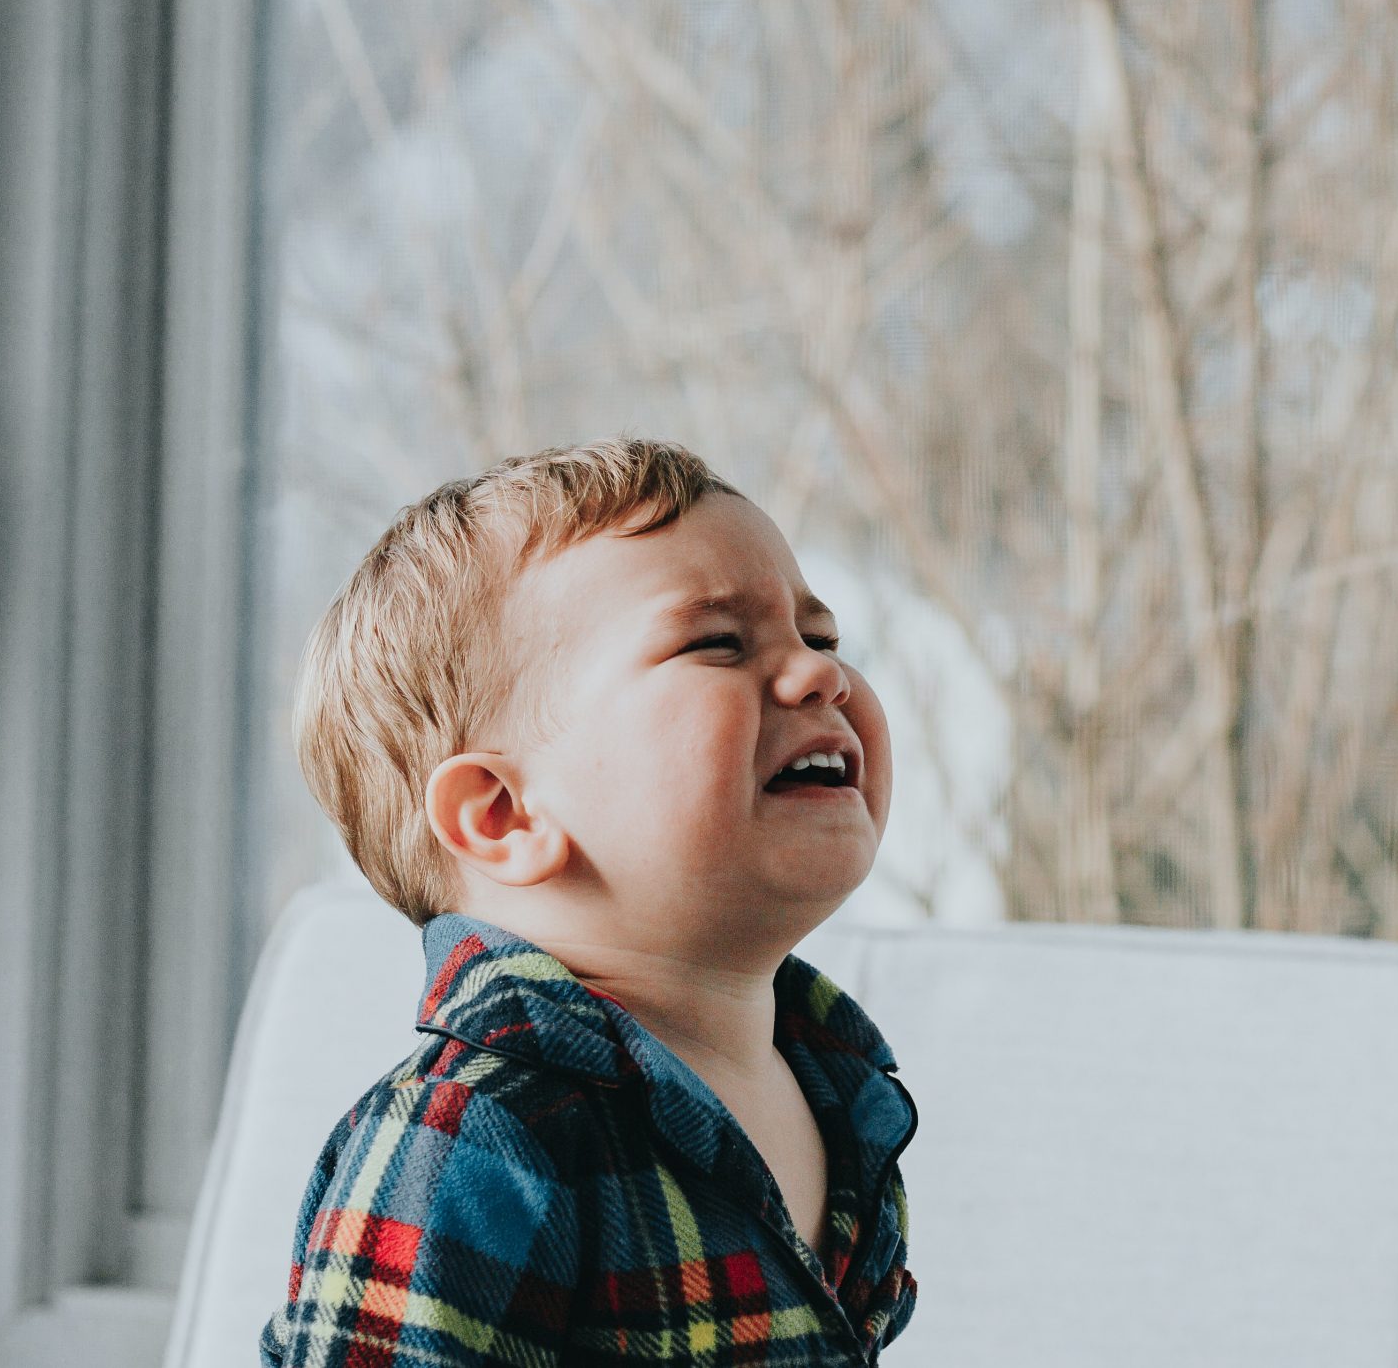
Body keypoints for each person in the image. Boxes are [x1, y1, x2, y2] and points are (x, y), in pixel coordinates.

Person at [261, 436, 918, 1367]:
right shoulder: (468, 1133)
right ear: (503, 813)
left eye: (820, 637)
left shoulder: (840, 1095)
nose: (823, 676)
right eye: (718, 643)